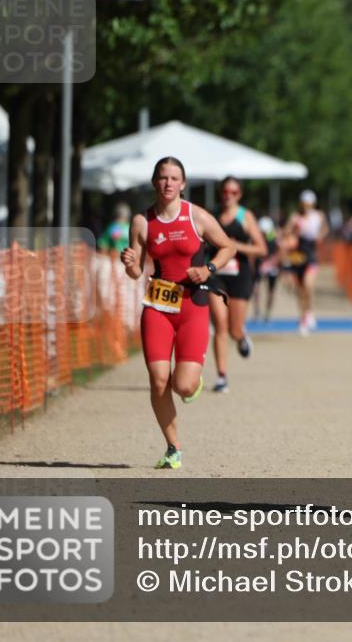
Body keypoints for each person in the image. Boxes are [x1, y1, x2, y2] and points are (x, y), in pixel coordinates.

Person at [120, 157, 235, 469]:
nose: (168, 183)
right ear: (154, 182)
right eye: (162, 177)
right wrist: (130, 264)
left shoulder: (196, 216)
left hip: (192, 305)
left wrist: (208, 269)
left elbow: (228, 247)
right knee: (158, 380)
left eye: (174, 178)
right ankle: (173, 448)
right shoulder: (142, 221)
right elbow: (136, 271)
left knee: (182, 385)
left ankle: (192, 383)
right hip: (157, 306)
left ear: (183, 184)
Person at [207, 177, 267, 393]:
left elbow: (261, 249)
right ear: (220, 193)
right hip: (216, 275)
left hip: (240, 276)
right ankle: (221, 376)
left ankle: (241, 339)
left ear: (239, 194)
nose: (228, 196)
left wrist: (235, 246)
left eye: (233, 192)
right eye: (225, 191)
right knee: (220, 326)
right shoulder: (212, 216)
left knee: (234, 329)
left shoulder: (245, 216)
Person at [289, 189, 328, 336]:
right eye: (304, 204)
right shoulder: (296, 217)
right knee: (300, 291)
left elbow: (325, 229)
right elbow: (287, 233)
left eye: (309, 204)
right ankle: (303, 319)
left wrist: (320, 235)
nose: (306, 206)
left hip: (311, 255)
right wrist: (294, 230)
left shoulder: (319, 216)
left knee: (308, 285)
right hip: (298, 256)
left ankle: (310, 312)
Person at [253, 215, 280, 323]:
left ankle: (268, 313)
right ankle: (257, 312)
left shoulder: (274, 237)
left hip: (272, 266)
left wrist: (272, 262)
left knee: (271, 290)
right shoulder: (257, 237)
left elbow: (280, 252)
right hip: (260, 265)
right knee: (256, 288)